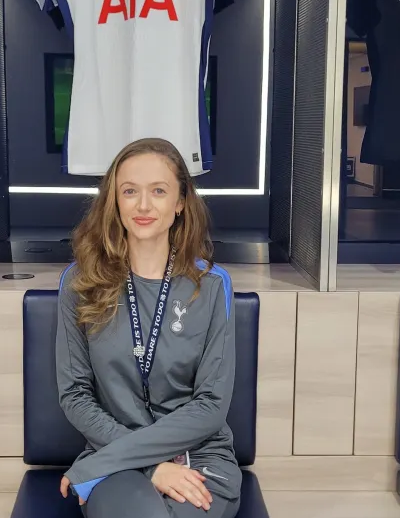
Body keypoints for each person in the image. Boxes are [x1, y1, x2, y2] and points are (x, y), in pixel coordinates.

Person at [55, 138, 240, 518]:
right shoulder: (80, 282)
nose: (142, 205)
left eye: (158, 191)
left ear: (180, 202)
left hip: (199, 454)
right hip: (113, 454)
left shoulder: (212, 285)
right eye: (129, 191)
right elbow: (75, 395)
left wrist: (90, 471)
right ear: (114, 201)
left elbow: (211, 405)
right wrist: (149, 465)